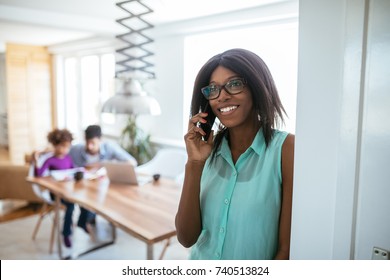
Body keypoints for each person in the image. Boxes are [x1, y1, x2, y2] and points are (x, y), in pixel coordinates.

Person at [175, 48, 295, 260]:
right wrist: (194, 163)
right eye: (213, 89)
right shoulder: (206, 152)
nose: (221, 96)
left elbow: (286, 251)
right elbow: (186, 238)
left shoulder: (286, 149)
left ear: (257, 87)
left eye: (234, 84)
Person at [68, 124, 138, 232]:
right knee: (87, 197)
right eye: (87, 142)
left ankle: (103, 219)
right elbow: (58, 150)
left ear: (100, 140)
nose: (90, 146)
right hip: (83, 186)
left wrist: (103, 164)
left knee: (112, 195)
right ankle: (86, 221)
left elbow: (132, 162)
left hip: (103, 185)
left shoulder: (109, 147)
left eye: (93, 143)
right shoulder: (77, 149)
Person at [34, 128, 75, 248]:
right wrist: (36, 161)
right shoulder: (50, 160)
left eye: (68, 147)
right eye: (63, 146)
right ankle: (66, 233)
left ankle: (77, 225)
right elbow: (39, 175)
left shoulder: (68, 158)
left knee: (75, 203)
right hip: (55, 193)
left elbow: (73, 170)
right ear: (55, 145)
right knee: (71, 205)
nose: (65, 150)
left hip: (67, 190)